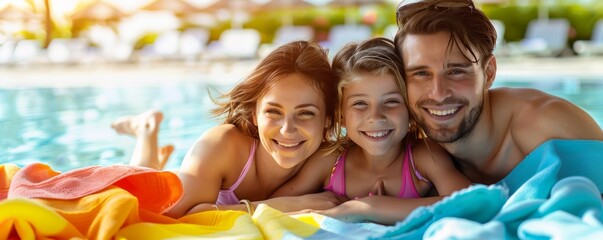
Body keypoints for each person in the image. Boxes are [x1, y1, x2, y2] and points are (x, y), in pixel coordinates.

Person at [111, 41, 346, 218]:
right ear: (254, 113)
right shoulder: (223, 145)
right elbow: (173, 215)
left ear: (328, 118)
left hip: (194, 180)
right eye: (273, 112)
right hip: (183, 183)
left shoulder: (329, 160)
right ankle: (146, 129)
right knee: (143, 178)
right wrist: (282, 206)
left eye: (305, 113)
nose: (287, 129)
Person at [393, 0, 603, 184]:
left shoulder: (545, 125)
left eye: (456, 71)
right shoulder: (404, 143)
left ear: (489, 73)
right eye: (420, 73)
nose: (438, 93)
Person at [271, 38, 471, 225]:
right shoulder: (330, 161)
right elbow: (272, 206)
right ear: (340, 115)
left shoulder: (423, 157)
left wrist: (368, 208)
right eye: (360, 103)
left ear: (410, 110)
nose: (376, 116)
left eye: (391, 101)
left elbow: (471, 201)